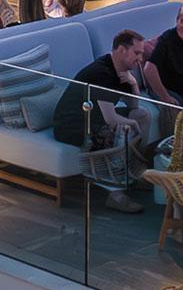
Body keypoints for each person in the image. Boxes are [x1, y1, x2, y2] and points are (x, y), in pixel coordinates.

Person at [50, 29, 152, 213]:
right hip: (72, 124)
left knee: (142, 114)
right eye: (137, 53)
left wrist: (133, 84)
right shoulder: (102, 73)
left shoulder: (122, 71)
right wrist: (132, 125)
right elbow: (111, 119)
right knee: (121, 129)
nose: (140, 59)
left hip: (95, 116)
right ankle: (116, 194)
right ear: (122, 50)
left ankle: (133, 174)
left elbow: (134, 106)